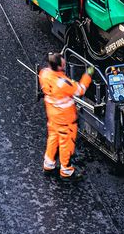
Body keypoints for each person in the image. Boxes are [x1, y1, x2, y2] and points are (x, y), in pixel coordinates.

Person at [39, 52, 93, 181]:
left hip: (53, 115)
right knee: (66, 144)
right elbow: (80, 90)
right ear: (58, 67)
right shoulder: (63, 83)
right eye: (63, 62)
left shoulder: (44, 73)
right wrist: (88, 75)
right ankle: (66, 171)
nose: (65, 63)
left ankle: (49, 165)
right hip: (66, 119)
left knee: (53, 139)